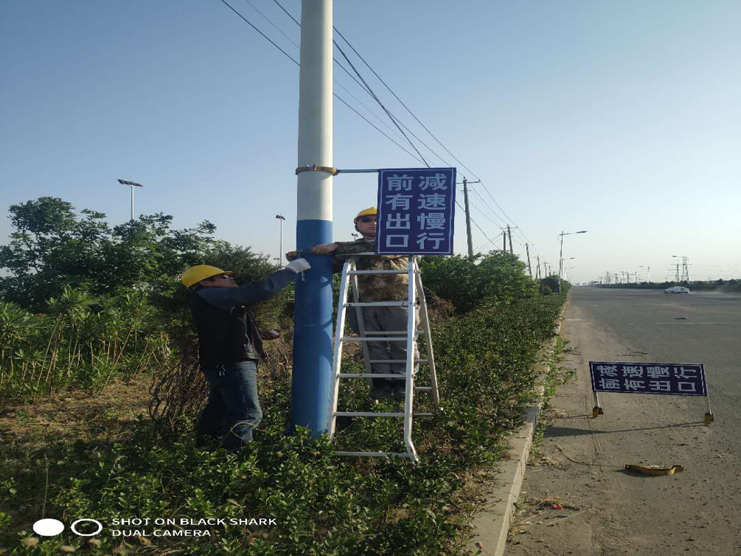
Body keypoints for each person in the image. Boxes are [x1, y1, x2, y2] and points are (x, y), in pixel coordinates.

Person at [181, 259, 311, 450]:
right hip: (232, 361)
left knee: (220, 409)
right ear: (205, 282)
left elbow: (225, 329)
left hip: (223, 362)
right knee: (248, 414)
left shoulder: (210, 298)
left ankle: (206, 450)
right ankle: (236, 457)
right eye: (223, 276)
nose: (230, 278)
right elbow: (260, 292)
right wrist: (291, 271)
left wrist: (260, 335)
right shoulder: (210, 294)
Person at [307, 207, 418, 400]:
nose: (373, 223)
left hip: (399, 302)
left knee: (402, 343)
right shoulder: (351, 250)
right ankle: (382, 382)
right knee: (374, 345)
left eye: (377, 219)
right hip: (364, 304)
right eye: (366, 219)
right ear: (357, 225)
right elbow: (329, 265)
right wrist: (303, 256)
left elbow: (374, 248)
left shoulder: (398, 240)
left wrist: (337, 246)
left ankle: (403, 383)